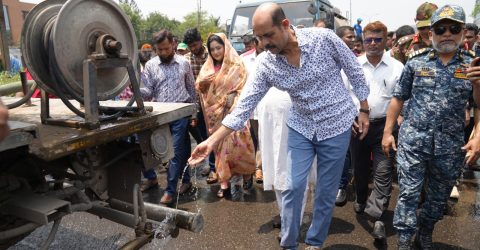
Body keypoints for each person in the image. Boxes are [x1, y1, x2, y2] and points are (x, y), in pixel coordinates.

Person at [188, 3, 369, 249]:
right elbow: (243, 107)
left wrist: (364, 109)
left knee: (326, 193)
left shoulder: (323, 39)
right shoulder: (266, 64)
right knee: (292, 187)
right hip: (301, 126)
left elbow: (354, 70)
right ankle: (289, 243)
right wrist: (211, 141)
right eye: (259, 38)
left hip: (336, 125)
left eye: (268, 35)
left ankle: (315, 242)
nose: (263, 43)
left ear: (285, 26)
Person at [382, 5, 480, 249]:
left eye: (454, 28)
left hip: (449, 147)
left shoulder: (472, 66)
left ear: (462, 32)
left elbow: (478, 105)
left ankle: (425, 231)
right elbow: (398, 98)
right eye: (441, 29)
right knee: (408, 195)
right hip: (413, 142)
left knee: (437, 199)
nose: (447, 33)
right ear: (431, 33)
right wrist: (387, 132)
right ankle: (404, 242)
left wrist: (478, 136)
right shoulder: (416, 62)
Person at [350, 21, 404, 241]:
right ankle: (361, 198)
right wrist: (348, 118)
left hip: (385, 126)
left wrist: (396, 123)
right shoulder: (352, 65)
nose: (372, 43)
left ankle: (378, 217)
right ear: (363, 41)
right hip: (356, 126)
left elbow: (402, 98)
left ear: (386, 40)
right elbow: (343, 95)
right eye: (368, 39)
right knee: (360, 170)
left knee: (383, 171)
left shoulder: (397, 68)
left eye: (377, 39)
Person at [195, 33, 256, 199]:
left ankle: (246, 176)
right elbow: (200, 87)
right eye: (212, 49)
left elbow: (245, 88)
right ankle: (224, 183)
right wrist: (204, 83)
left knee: (240, 145)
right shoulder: (207, 68)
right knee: (220, 149)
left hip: (235, 112)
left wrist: (233, 97)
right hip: (216, 117)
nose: (215, 52)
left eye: (218, 48)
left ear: (225, 47)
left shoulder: (237, 65)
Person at [141, 29, 197, 205]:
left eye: (166, 48)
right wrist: (135, 86)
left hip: (181, 113)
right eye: (160, 50)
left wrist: (194, 113)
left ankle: (170, 190)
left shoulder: (183, 63)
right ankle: (186, 180)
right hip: (160, 115)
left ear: (173, 44)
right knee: (172, 151)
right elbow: (148, 91)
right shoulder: (150, 65)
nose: (164, 53)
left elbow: (191, 89)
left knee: (175, 152)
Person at [184, 28, 218, 184]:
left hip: (213, 103)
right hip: (196, 105)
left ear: (200, 40)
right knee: (204, 138)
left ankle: (214, 168)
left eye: (195, 44)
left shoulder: (212, 54)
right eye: (190, 46)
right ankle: (212, 164)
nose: (193, 48)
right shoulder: (186, 60)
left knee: (214, 136)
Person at [334, 25, 356, 207]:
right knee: (343, 153)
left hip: (358, 115)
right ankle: (340, 186)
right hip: (336, 116)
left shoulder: (357, 61)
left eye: (354, 37)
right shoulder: (329, 62)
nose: (353, 40)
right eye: (349, 37)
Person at [241, 36, 264, 184]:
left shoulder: (277, 56)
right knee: (257, 137)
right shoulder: (244, 59)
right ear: (255, 43)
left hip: (272, 105)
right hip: (254, 106)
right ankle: (258, 168)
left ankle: (262, 166)